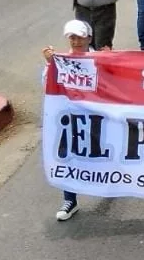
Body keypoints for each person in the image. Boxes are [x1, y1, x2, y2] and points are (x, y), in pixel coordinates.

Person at [44, 19, 97, 220]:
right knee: (67, 155)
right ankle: (70, 200)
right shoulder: (61, 61)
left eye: (80, 37)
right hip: (71, 118)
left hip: (97, 117)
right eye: (72, 37)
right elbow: (47, 88)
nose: (76, 42)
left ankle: (114, 184)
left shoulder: (100, 59)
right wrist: (50, 65)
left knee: (107, 154)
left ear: (89, 38)